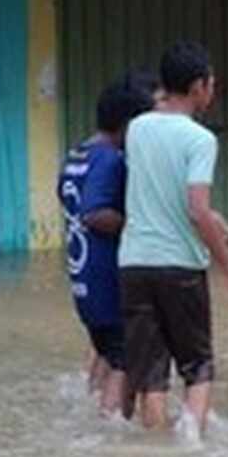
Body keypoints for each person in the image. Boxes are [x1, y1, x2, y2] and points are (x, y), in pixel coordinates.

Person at [118, 41, 228, 436]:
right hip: (179, 267)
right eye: (211, 82)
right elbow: (195, 209)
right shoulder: (200, 140)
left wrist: (210, 216)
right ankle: (190, 455)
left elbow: (157, 190)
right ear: (198, 88)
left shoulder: (137, 128)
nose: (213, 89)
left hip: (134, 265)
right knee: (198, 368)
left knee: (152, 376)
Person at [57, 73, 155, 416]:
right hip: (106, 282)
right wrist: (139, 226)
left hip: (83, 282)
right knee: (125, 360)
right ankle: (109, 431)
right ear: (129, 125)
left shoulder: (77, 154)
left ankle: (90, 404)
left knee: (107, 352)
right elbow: (94, 213)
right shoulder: (110, 159)